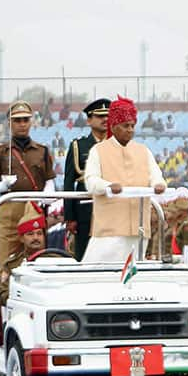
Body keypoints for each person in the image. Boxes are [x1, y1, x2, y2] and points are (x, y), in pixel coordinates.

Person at [83, 96, 166, 263]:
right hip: (109, 229)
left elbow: (157, 176)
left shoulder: (143, 151)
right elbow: (91, 181)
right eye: (125, 126)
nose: (130, 130)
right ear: (113, 127)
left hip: (139, 228)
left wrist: (158, 185)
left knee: (132, 275)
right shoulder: (98, 150)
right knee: (99, 272)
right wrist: (107, 186)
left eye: (133, 126)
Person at [0, 101, 56, 267]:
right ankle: (5, 290)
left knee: (37, 253)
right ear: (9, 123)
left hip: (34, 206)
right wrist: (2, 185)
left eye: (25, 120)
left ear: (31, 122)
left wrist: (47, 194)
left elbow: (49, 179)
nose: (22, 124)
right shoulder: (0, 151)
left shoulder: (42, 151)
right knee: (8, 256)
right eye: (17, 120)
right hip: (10, 206)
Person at [64, 98, 111, 260]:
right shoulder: (79, 146)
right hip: (85, 210)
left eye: (108, 116)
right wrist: (70, 216)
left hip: (111, 206)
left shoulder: (117, 145)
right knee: (84, 254)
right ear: (89, 120)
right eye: (99, 116)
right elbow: (69, 182)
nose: (105, 119)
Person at [0, 203, 47, 308]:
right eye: (30, 234)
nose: (35, 238)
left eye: (39, 233)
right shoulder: (12, 264)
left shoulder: (57, 259)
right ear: (21, 239)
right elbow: (3, 294)